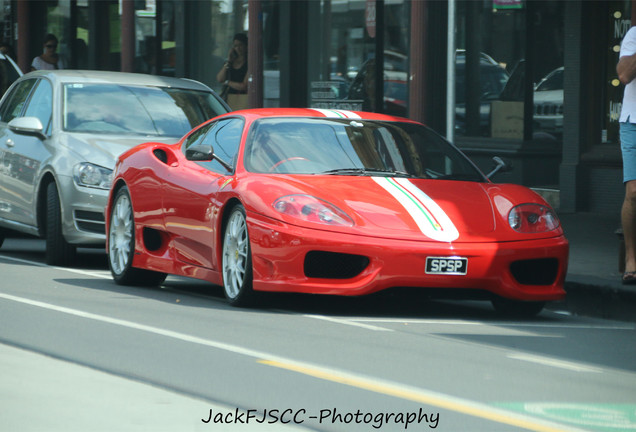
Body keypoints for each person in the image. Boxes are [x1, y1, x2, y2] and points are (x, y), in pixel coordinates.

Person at [617, 26, 636, 284]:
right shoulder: (634, 35)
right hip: (633, 123)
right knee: (633, 192)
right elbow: (623, 75)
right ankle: (632, 257)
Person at [216, 33, 248, 110]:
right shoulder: (230, 62)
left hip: (244, 97)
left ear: (246, 46)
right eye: (235, 46)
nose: (238, 48)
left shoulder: (249, 63)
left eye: (240, 45)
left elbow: (244, 86)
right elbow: (220, 78)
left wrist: (227, 82)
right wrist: (229, 61)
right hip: (229, 97)